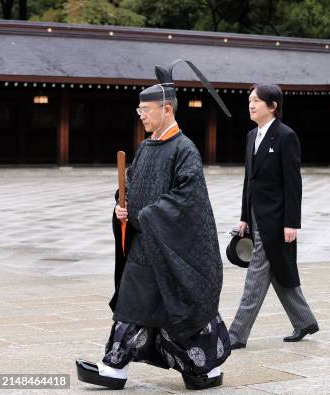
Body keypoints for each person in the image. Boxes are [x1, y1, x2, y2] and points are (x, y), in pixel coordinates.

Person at [76, 60, 232, 390]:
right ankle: (114, 365)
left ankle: (203, 369)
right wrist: (123, 204)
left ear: (166, 110)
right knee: (133, 300)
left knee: (179, 310)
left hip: (172, 247)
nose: (141, 115)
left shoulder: (184, 149)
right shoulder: (146, 147)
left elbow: (188, 198)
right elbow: (132, 184)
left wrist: (144, 215)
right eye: (139, 111)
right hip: (145, 244)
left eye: (146, 110)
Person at [228, 83, 319, 349]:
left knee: (256, 276)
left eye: (256, 101)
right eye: (249, 101)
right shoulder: (250, 136)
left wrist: (292, 222)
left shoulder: (286, 136)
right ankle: (304, 321)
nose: (251, 105)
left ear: (273, 106)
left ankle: (236, 334)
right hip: (256, 216)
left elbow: (293, 183)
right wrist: (244, 216)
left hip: (277, 220)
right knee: (278, 270)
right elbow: (249, 180)